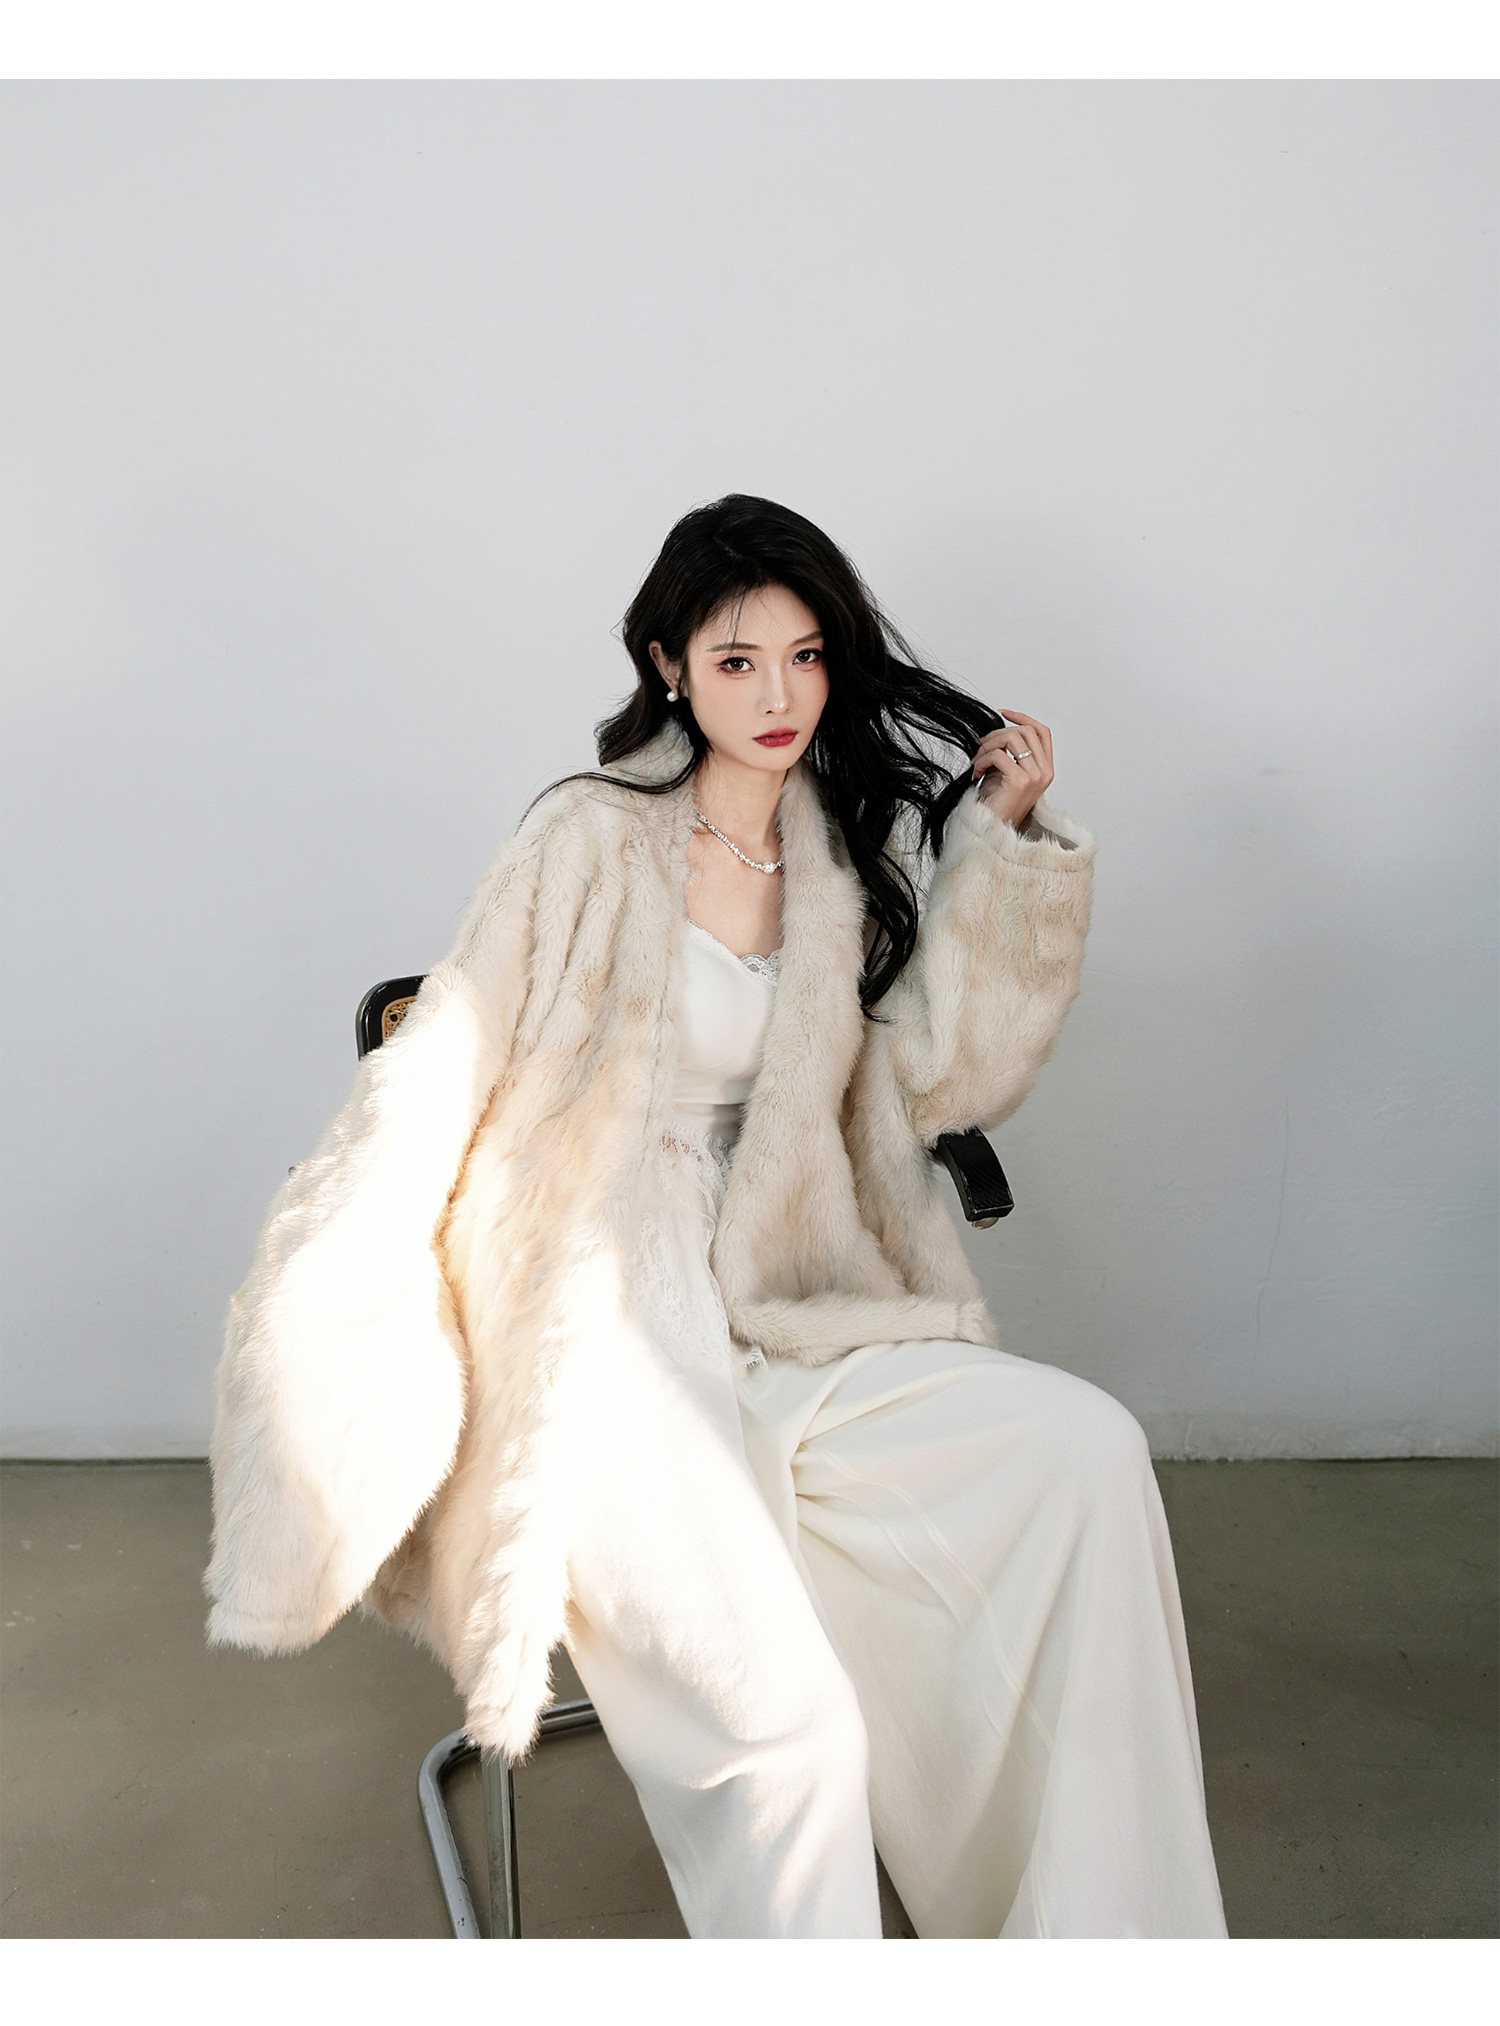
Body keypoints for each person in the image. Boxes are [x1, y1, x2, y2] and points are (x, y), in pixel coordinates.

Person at [204, 494, 1227, 1940]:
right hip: (605, 1304)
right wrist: (341, 1286)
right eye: (738, 659)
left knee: (1086, 1454)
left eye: (805, 656)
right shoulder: (586, 835)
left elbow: (929, 1081)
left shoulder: (833, 857)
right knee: (790, 1736)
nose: (778, 694)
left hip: (793, 1282)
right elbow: (450, 1049)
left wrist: (994, 848)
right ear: (668, 664)